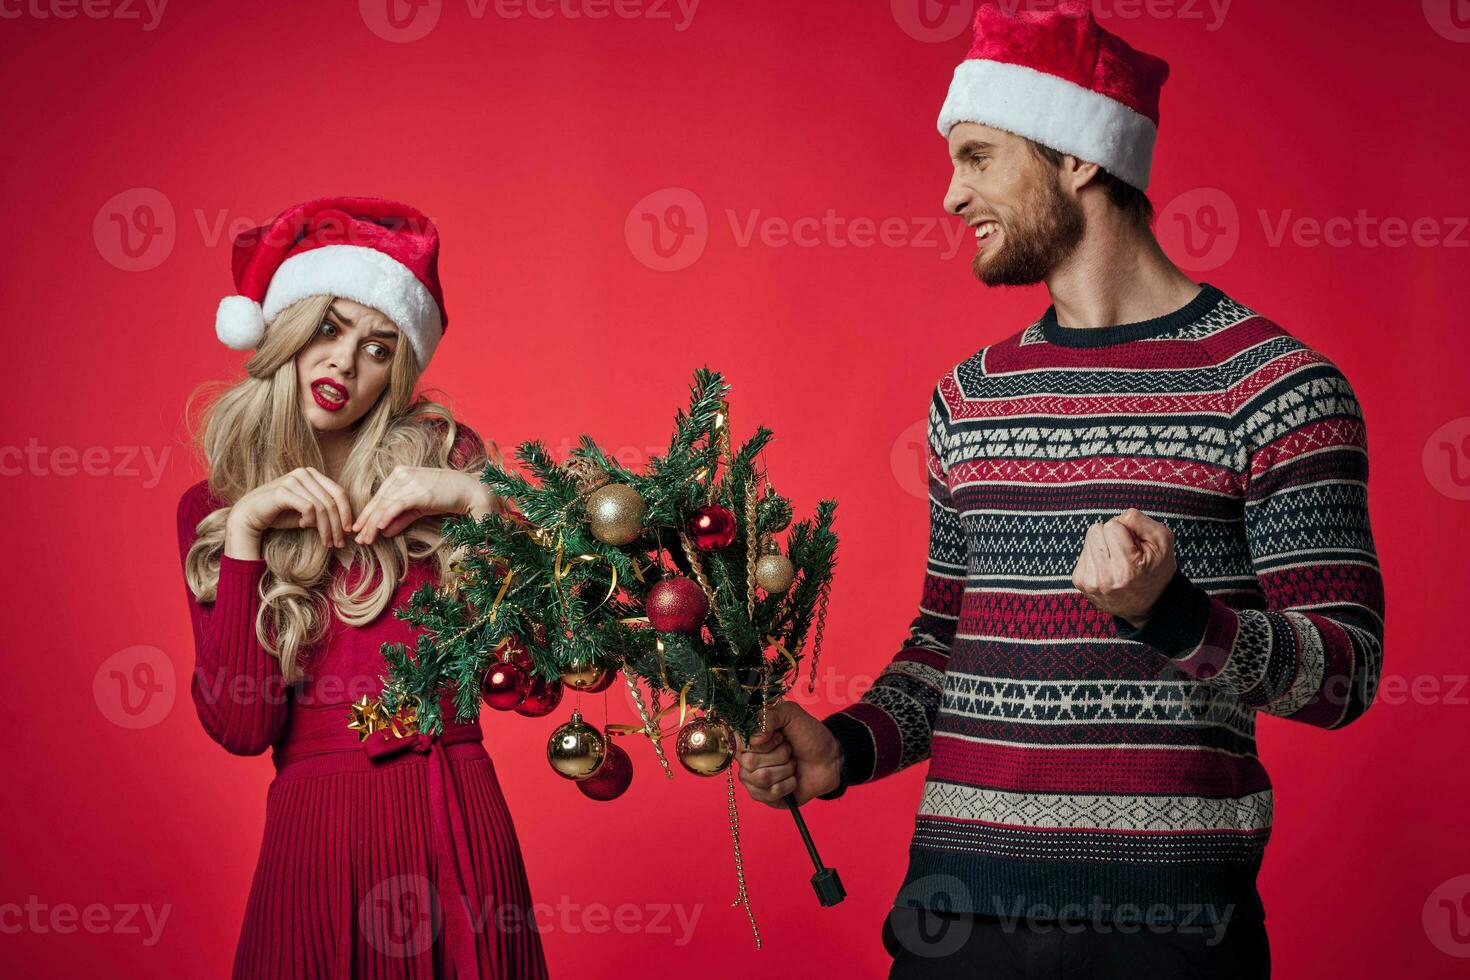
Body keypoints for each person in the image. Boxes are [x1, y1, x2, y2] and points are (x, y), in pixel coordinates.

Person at [736, 6, 1383, 978]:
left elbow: (1345, 675)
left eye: (978, 156)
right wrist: (844, 748)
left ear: (1078, 155)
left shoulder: (1278, 387)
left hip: (1168, 935)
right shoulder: (973, 395)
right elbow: (943, 646)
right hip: (953, 920)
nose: (952, 195)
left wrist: (1172, 615)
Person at [177, 197, 549, 978]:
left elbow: (535, 679)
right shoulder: (216, 512)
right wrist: (246, 533)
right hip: (316, 836)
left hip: (451, 811)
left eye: (378, 346)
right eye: (328, 328)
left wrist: (479, 507)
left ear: (399, 370)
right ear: (284, 332)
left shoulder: (449, 467)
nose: (346, 362)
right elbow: (245, 728)